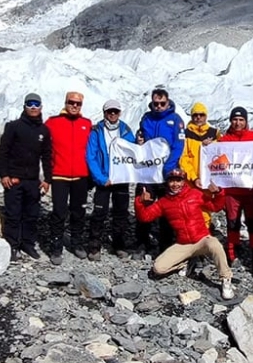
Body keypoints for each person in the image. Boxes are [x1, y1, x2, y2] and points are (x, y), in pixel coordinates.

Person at [135, 168, 235, 299]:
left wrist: (219, 193)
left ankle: (226, 279)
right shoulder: (163, 202)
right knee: (158, 268)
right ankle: (185, 261)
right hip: (183, 243)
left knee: (215, 244)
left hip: (202, 239)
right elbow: (145, 217)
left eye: (179, 180)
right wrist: (140, 202)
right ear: (167, 182)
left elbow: (215, 207)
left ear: (184, 181)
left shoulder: (195, 194)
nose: (175, 184)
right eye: (172, 181)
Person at [0, 91, 51, 259]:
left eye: (36, 104)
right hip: (14, 179)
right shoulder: (13, 127)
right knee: (13, 214)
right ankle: (12, 246)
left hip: (33, 181)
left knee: (31, 215)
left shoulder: (44, 130)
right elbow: (3, 152)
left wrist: (48, 179)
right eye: (30, 104)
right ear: (24, 106)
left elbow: (47, 156)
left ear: (41, 107)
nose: (33, 107)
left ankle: (28, 244)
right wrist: (4, 174)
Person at [216, 107, 253, 277]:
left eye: (241, 120)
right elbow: (216, 163)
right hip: (232, 192)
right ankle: (232, 256)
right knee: (232, 224)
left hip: (250, 191)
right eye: (235, 119)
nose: (237, 123)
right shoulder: (223, 141)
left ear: (246, 121)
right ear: (231, 121)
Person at [136, 86, 185, 254]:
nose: (158, 106)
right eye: (155, 103)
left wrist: (168, 168)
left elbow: (179, 146)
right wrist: (139, 140)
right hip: (148, 172)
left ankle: (165, 246)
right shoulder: (146, 118)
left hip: (166, 174)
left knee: (167, 210)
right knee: (144, 204)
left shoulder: (176, 120)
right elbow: (141, 138)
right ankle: (142, 242)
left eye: (161, 103)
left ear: (167, 102)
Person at [45, 90, 93, 263]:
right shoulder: (52, 122)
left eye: (78, 103)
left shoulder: (86, 124)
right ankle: (56, 246)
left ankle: (76, 242)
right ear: (65, 102)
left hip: (81, 176)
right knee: (58, 212)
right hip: (59, 175)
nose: (74, 105)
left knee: (79, 211)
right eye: (71, 102)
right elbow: (44, 148)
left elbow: (93, 148)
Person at [85, 100, 136, 259]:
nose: (112, 114)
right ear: (104, 112)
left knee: (121, 213)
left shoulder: (126, 130)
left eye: (115, 111)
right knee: (99, 212)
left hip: (121, 179)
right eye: (109, 112)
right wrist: (100, 178)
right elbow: (91, 156)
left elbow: (134, 152)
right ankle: (94, 246)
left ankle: (118, 244)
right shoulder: (97, 130)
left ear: (119, 113)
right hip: (104, 180)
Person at [179, 103, 218, 184]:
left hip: (211, 180)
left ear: (206, 116)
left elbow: (220, 155)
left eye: (201, 115)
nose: (198, 117)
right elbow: (183, 159)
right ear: (191, 117)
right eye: (195, 115)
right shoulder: (185, 134)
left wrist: (211, 146)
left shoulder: (215, 133)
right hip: (192, 181)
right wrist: (194, 178)